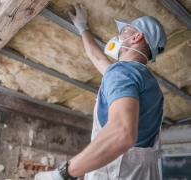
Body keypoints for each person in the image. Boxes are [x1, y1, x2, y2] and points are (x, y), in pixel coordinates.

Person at [35, 3, 166, 180]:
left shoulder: (122, 72)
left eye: (125, 30)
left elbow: (122, 133)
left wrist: (61, 174)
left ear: (136, 37)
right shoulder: (151, 87)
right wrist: (82, 27)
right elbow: (97, 58)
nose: (118, 35)